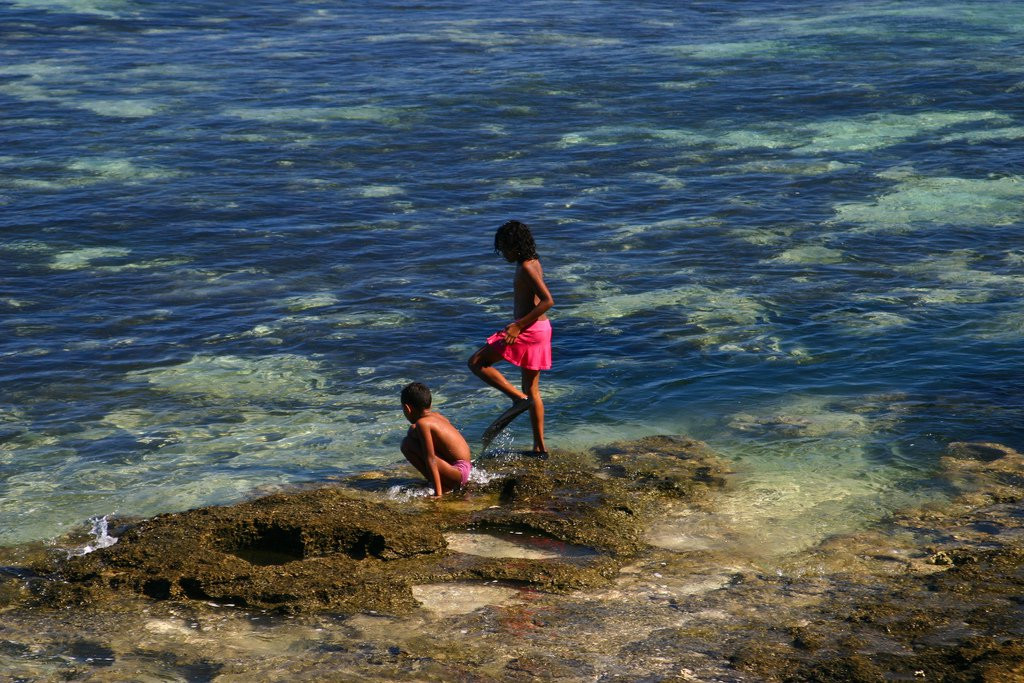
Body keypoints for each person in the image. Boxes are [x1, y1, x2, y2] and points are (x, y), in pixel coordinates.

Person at [468, 219, 554, 454]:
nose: (503, 254)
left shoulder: (527, 267)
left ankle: (517, 399)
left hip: (529, 330)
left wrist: (518, 326)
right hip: (540, 329)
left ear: (516, 246)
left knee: (476, 362)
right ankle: (539, 448)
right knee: (532, 389)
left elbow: (548, 300)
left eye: (505, 248)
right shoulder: (533, 262)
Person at [400, 382, 473, 498]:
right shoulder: (437, 416)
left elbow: (431, 459)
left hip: (458, 473)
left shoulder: (423, 424)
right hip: (466, 468)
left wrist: (437, 494)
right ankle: (444, 482)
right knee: (412, 437)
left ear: (407, 408)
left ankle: (443, 487)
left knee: (406, 444)